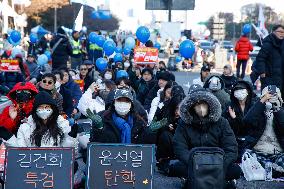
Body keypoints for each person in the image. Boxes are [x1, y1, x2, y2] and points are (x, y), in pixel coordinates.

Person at [173, 89, 241, 183]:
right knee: (176, 168)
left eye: (204, 104)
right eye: (197, 104)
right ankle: (215, 179)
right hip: (194, 163)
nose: (201, 108)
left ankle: (195, 179)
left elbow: (231, 147)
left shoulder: (222, 122)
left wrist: (220, 164)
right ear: (192, 106)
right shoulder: (184, 123)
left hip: (217, 163)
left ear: (210, 105)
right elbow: (179, 147)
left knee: (236, 170)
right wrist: (194, 163)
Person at [0, 91, 78, 148]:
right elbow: (20, 151)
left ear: (53, 109)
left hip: (55, 165)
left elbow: (67, 151)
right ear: (35, 110)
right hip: (33, 167)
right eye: (40, 107)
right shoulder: (25, 127)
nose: (44, 110)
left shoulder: (62, 124)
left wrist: (71, 137)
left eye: (47, 107)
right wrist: (10, 139)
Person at [243, 86, 284, 177]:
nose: (271, 98)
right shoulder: (257, 110)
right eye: (268, 96)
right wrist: (262, 102)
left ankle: (269, 170)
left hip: (277, 153)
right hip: (258, 151)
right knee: (248, 157)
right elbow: (247, 121)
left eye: (274, 96)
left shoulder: (281, 111)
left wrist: (277, 108)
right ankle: (273, 171)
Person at [89, 88, 156, 144]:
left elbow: (144, 145)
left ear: (131, 105)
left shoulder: (139, 121)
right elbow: (95, 144)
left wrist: (150, 132)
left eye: (126, 101)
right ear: (114, 103)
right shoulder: (103, 118)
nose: (123, 103)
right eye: (119, 100)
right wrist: (99, 129)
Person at [223, 81, 256, 157]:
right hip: (235, 139)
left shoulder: (253, 105)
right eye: (236, 90)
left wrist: (236, 118)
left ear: (247, 91)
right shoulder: (230, 106)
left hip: (251, 140)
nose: (239, 92)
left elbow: (254, 124)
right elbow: (226, 126)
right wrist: (234, 119)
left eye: (242, 90)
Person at [254, 25, 284, 95]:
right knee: (271, 99)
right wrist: (262, 72)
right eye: (280, 32)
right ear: (273, 32)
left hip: (281, 78)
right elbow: (260, 58)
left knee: (280, 100)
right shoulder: (268, 44)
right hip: (270, 78)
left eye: (283, 32)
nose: (282, 34)